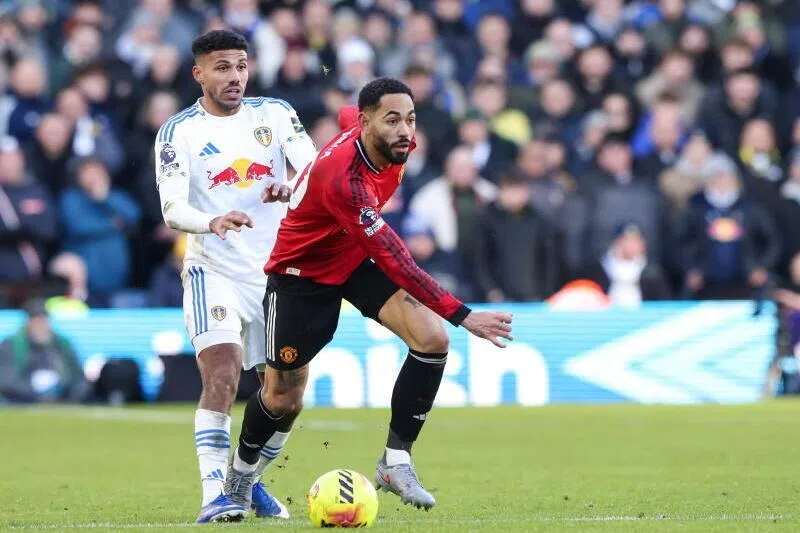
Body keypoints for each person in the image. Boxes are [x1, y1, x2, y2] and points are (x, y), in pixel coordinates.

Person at [227, 78, 513, 511]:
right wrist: (462, 313)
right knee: (283, 395)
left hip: (352, 256)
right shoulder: (347, 181)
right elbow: (397, 259)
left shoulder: (386, 139)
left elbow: (346, 113)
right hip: (301, 275)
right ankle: (240, 477)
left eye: (411, 119)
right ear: (367, 124)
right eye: (393, 120)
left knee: (432, 339)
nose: (405, 131)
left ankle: (395, 462)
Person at [153, 30, 316, 523]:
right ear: (198, 74)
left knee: (287, 395)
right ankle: (213, 497)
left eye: (241, 66)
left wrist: (292, 186)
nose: (235, 77)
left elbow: (314, 167)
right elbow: (171, 207)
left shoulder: (275, 113)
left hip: (276, 272)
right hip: (214, 268)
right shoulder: (178, 131)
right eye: (222, 67)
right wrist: (212, 221)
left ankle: (244, 480)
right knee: (222, 370)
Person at [0, 298, 88, 404]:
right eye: (36, 321)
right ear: (28, 323)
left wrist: (68, 393)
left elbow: (78, 377)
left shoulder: (62, 344)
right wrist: (35, 391)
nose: (41, 326)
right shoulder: (12, 344)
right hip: (24, 399)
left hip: (61, 399)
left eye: (44, 321)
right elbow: (6, 381)